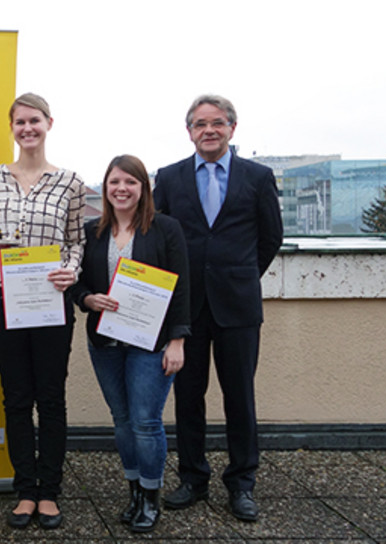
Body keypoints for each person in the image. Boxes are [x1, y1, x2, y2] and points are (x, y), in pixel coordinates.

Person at [153, 95, 283, 522]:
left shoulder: (258, 177)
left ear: (232, 127)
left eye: (217, 123)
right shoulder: (169, 179)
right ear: (188, 131)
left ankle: (242, 483)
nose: (209, 130)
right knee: (188, 397)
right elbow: (158, 240)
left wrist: (239, 275)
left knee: (239, 398)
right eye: (200, 124)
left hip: (237, 307)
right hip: (186, 307)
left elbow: (270, 239)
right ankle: (192, 478)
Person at [0, 93, 84, 530]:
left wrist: (70, 271)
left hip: (51, 299)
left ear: (49, 124)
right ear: (12, 127)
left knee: (51, 398)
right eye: (20, 122)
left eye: (34, 120)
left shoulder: (71, 183)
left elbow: (77, 241)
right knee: (16, 397)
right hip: (4, 295)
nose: (27, 128)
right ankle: (25, 490)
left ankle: (49, 491)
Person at [73, 155, 190, 533]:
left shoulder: (166, 229)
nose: (121, 189)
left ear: (144, 188)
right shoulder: (92, 231)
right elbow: (76, 282)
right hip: (105, 341)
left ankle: (151, 498)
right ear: (105, 188)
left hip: (150, 342)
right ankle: (134, 493)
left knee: (144, 422)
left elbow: (181, 288)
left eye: (131, 182)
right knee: (122, 421)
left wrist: (177, 342)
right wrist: (87, 300)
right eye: (114, 182)